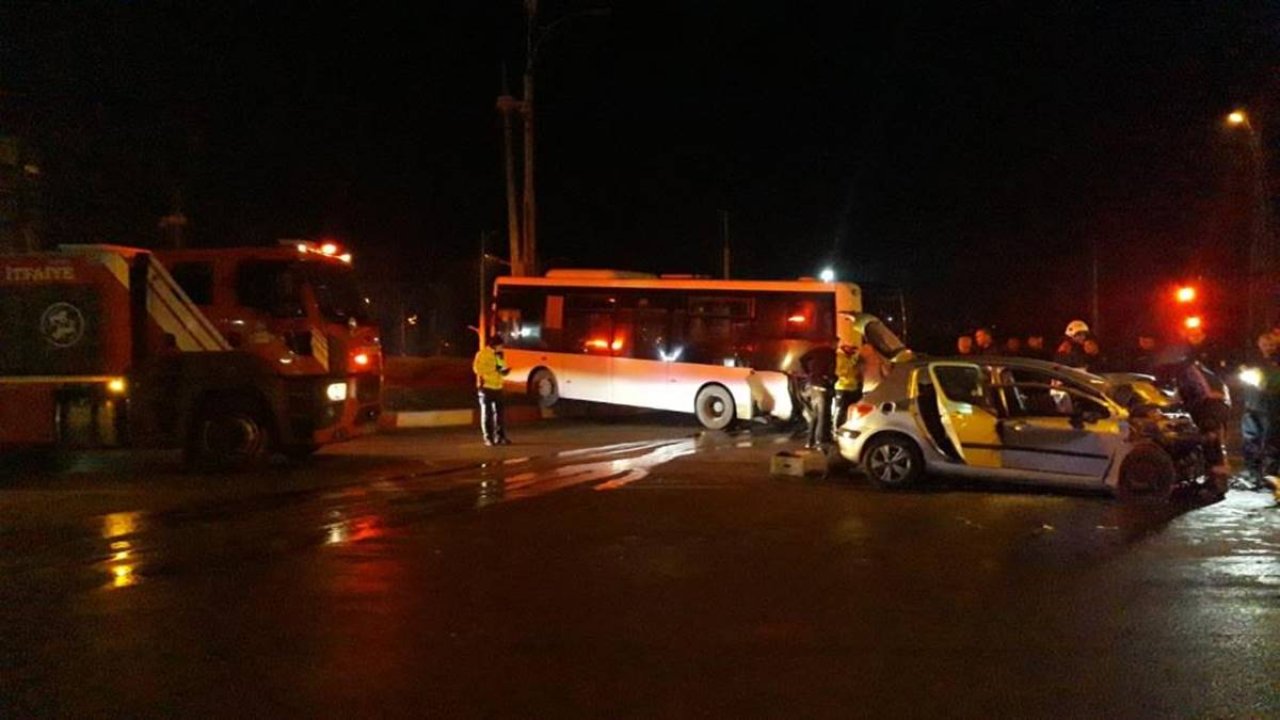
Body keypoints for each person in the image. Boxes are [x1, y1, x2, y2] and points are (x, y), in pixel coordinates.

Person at [473, 336, 511, 446]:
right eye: (501, 346)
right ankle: (488, 438)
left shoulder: (498, 355)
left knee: (500, 415)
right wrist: (494, 369)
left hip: (498, 387)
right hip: (486, 387)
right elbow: (477, 369)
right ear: (495, 345)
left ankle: (500, 437)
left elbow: (501, 368)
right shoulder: (482, 354)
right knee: (487, 414)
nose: (502, 348)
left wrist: (505, 371)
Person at [799, 343, 837, 449]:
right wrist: (831, 379)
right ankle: (820, 441)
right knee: (823, 416)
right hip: (822, 387)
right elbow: (832, 371)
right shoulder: (831, 354)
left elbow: (802, 359)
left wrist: (809, 373)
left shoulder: (815, 351)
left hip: (812, 385)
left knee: (815, 415)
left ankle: (810, 441)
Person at [834, 337, 864, 428]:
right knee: (841, 410)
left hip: (852, 387)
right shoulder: (839, 357)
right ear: (844, 347)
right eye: (851, 348)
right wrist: (853, 364)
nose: (853, 351)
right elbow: (840, 372)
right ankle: (837, 428)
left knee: (851, 410)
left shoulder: (849, 358)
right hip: (842, 387)